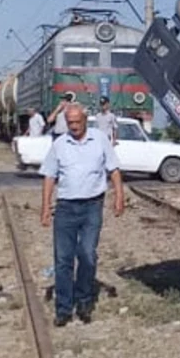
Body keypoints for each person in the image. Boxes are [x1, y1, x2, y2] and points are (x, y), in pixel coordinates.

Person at [40, 103, 124, 326]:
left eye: (78, 122)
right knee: (63, 259)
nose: (74, 127)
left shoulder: (99, 140)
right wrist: (45, 207)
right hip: (66, 208)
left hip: (91, 206)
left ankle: (85, 302)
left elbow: (114, 169)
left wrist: (119, 197)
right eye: (70, 123)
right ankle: (64, 309)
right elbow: (49, 176)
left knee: (87, 254)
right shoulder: (59, 144)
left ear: (86, 120)